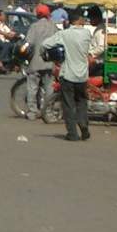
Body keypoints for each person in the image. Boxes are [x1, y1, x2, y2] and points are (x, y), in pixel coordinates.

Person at [43, 9, 93, 141]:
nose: (84, 20)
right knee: (81, 102)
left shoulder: (64, 34)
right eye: (82, 18)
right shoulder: (87, 34)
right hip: (82, 75)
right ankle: (83, 125)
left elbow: (46, 43)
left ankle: (72, 133)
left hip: (68, 74)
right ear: (78, 20)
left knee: (68, 104)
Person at [23, 4, 61, 119]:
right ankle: (48, 113)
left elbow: (28, 43)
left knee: (32, 88)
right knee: (49, 89)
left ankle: (32, 112)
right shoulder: (53, 26)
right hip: (50, 63)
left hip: (35, 62)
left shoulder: (34, 26)